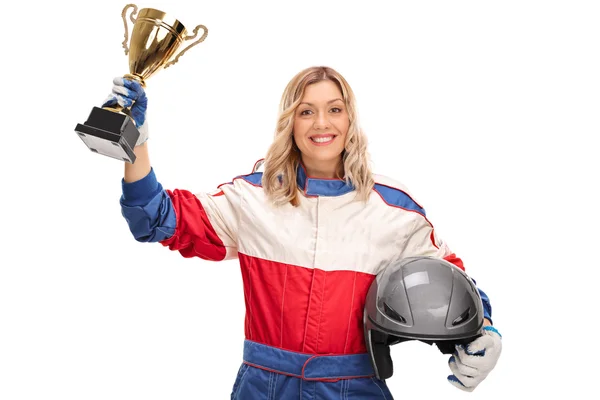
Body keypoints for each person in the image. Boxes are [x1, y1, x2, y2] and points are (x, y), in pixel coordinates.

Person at [104, 66, 502, 399]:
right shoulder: (251, 198)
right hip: (264, 387)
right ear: (290, 122)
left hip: (355, 387)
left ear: (350, 121)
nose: (322, 123)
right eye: (306, 111)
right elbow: (154, 217)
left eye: (334, 109)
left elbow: (449, 286)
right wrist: (135, 140)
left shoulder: (394, 210)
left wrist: (484, 332)